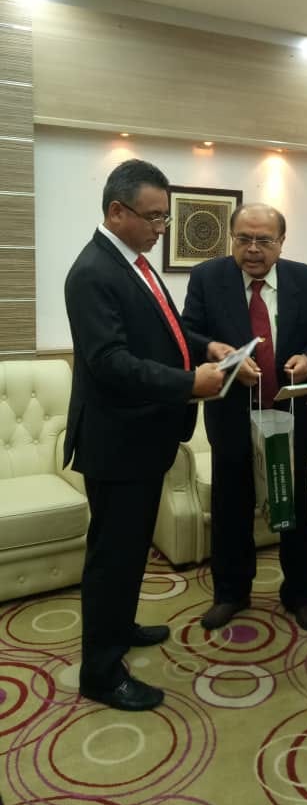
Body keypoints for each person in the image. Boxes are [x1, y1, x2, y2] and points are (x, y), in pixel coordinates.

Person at [64, 159, 228, 712]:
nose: (161, 228)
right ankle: (100, 672)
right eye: (154, 217)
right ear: (117, 211)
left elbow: (167, 329)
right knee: (112, 557)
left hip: (142, 438)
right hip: (117, 442)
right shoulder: (92, 272)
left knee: (130, 550)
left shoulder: (132, 262)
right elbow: (111, 362)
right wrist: (189, 384)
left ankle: (120, 626)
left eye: (165, 217)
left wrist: (205, 346)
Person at [182, 203, 307, 633]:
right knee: (231, 506)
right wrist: (215, 350)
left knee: (294, 504)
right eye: (243, 239)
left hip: (288, 414)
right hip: (232, 416)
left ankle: (300, 593)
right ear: (232, 238)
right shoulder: (207, 278)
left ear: (281, 242)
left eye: (264, 240)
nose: (252, 249)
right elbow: (188, 332)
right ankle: (231, 593)